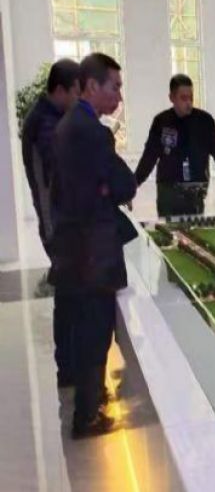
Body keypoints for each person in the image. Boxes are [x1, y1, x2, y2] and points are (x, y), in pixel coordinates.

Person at [50, 53, 137, 438]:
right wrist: (107, 189)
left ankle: (89, 403)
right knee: (94, 332)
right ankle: (87, 415)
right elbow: (124, 185)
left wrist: (105, 188)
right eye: (114, 87)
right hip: (92, 252)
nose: (119, 96)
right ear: (91, 86)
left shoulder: (68, 124)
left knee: (86, 329)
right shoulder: (92, 131)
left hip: (76, 246)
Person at [21, 58, 80, 387]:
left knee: (69, 296)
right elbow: (58, 164)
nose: (78, 100)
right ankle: (68, 370)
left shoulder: (50, 116)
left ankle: (70, 367)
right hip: (55, 223)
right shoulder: (44, 121)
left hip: (59, 220)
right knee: (68, 298)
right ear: (60, 90)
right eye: (76, 92)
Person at [135, 74, 215, 217]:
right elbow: (149, 156)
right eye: (183, 98)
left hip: (195, 189)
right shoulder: (162, 121)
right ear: (172, 98)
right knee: (169, 228)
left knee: (194, 228)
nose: (188, 103)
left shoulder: (204, 121)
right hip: (168, 190)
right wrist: (135, 183)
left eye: (191, 98)